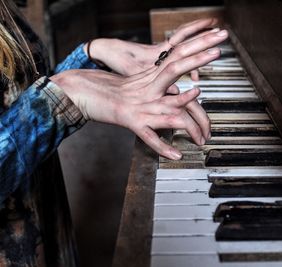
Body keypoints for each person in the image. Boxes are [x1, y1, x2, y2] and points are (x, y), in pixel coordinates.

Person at [0, 0, 228, 265]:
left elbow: (16, 100)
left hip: (43, 224)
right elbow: (43, 101)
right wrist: (59, 96)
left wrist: (91, 55)